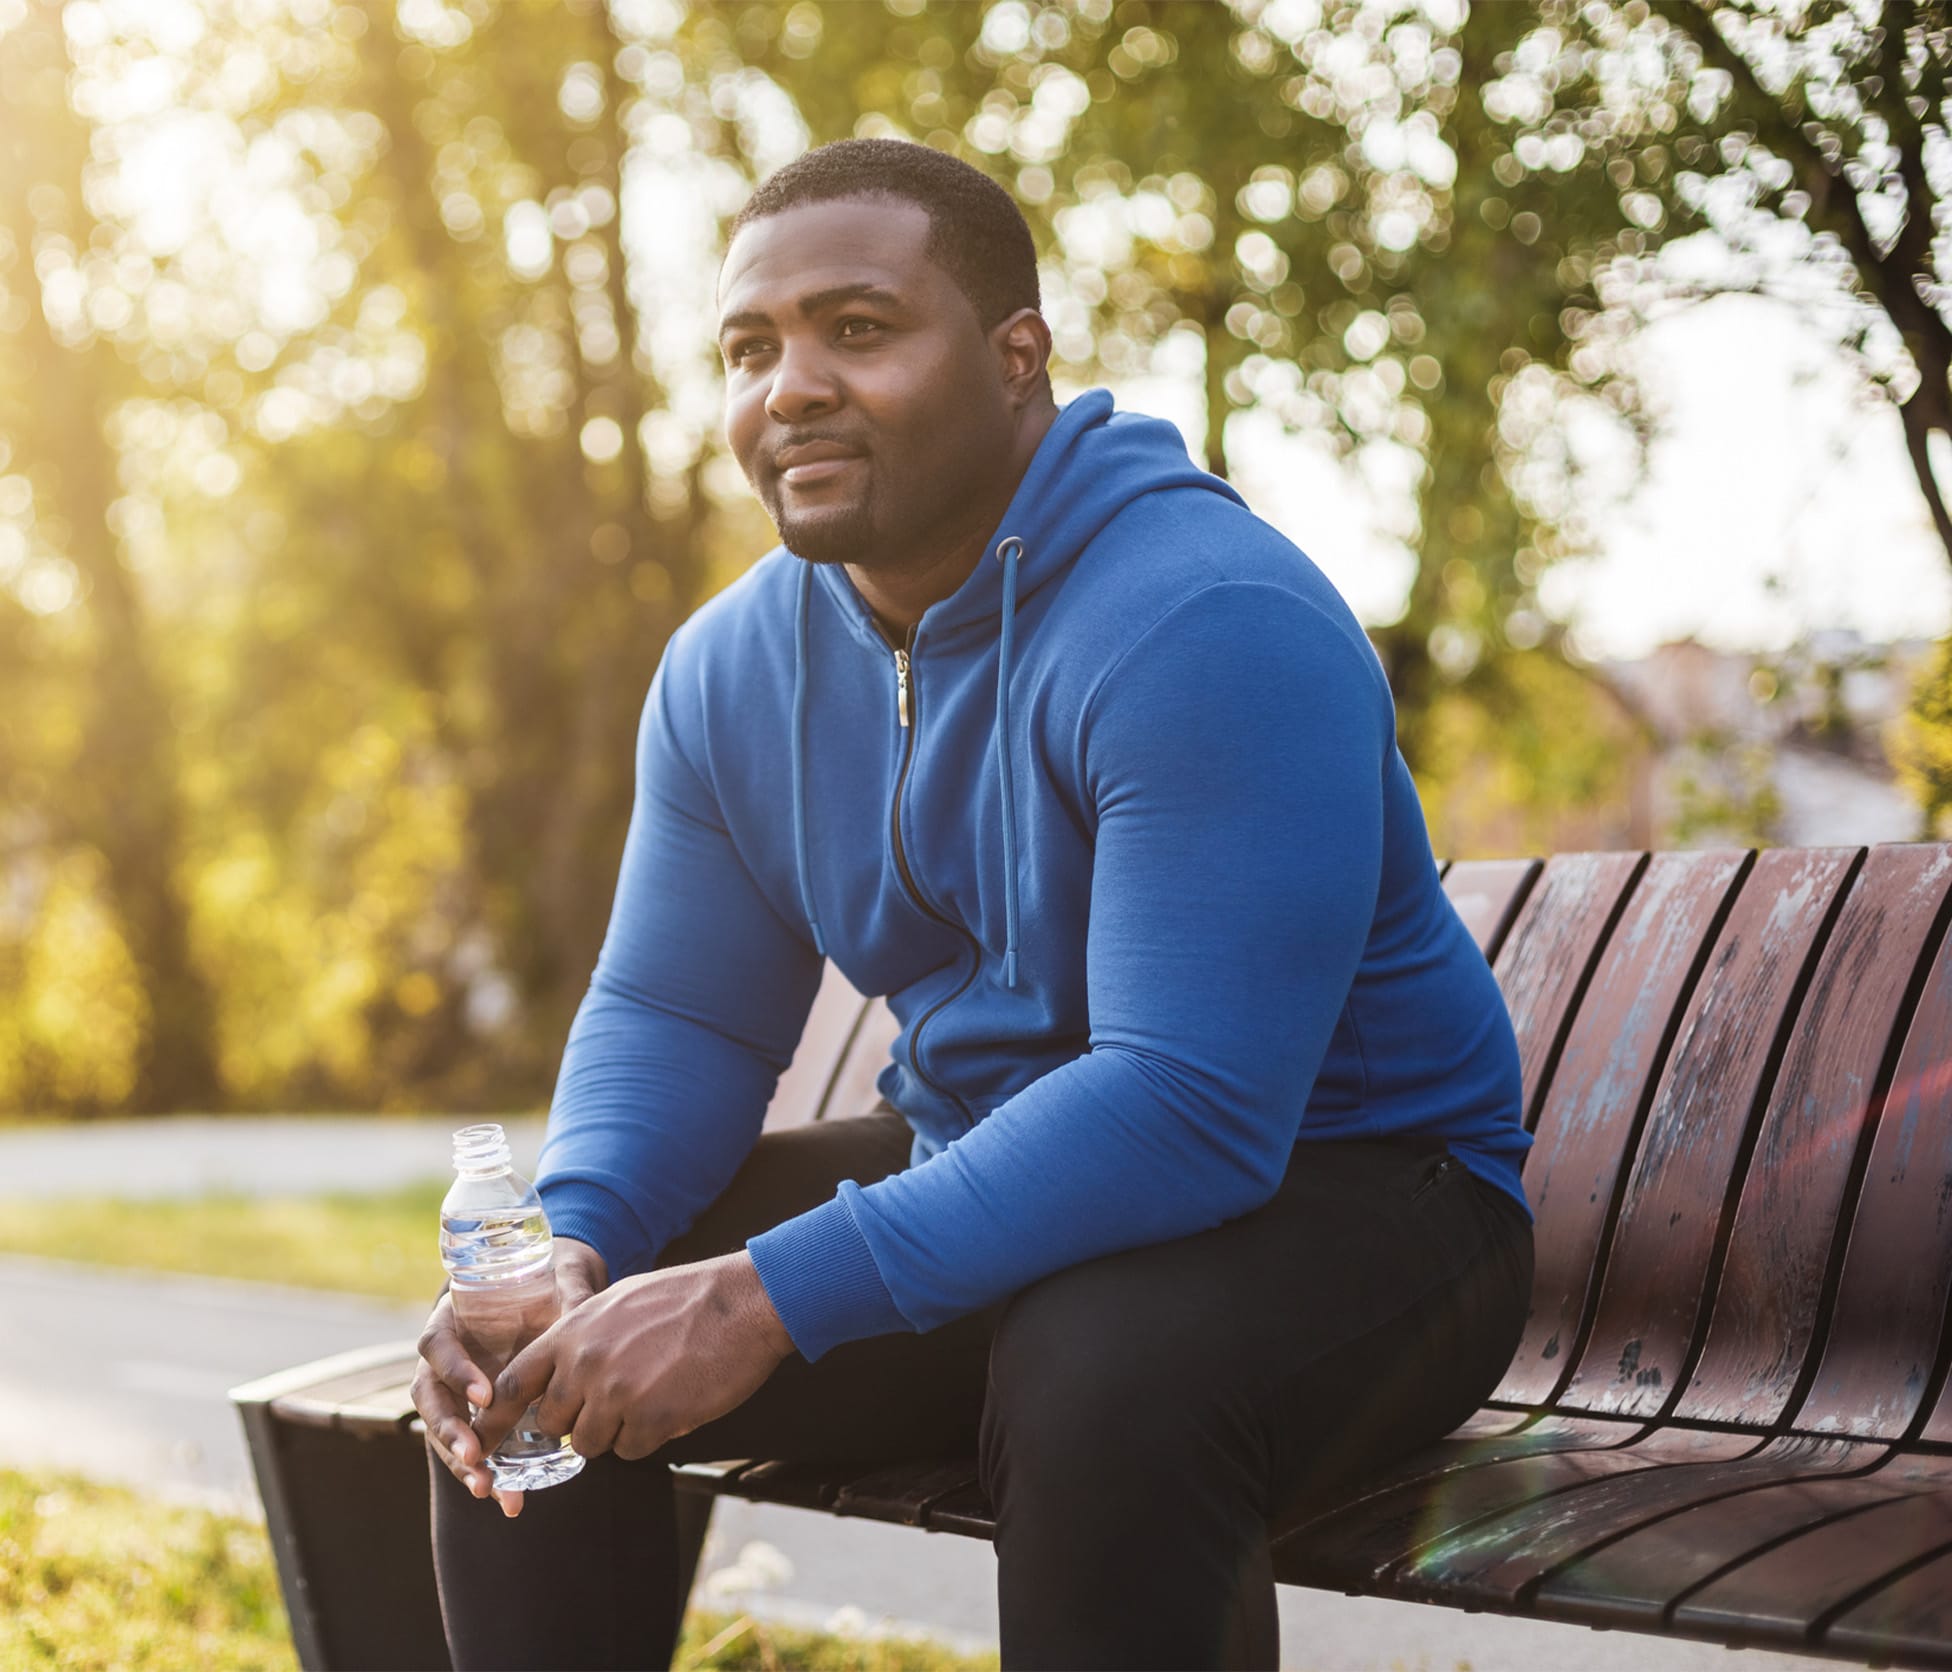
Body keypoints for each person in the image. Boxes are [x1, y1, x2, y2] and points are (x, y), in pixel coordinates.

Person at [413, 137, 1535, 1672]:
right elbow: (677, 1012)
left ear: (1019, 361)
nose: (790, 385)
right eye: (752, 347)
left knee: (1102, 1378)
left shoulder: (1207, 619)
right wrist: (581, 1241)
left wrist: (760, 1302)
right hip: (998, 1167)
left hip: (1360, 1195)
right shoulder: (731, 668)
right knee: (524, 1351)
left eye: (857, 330)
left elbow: (1191, 1105)